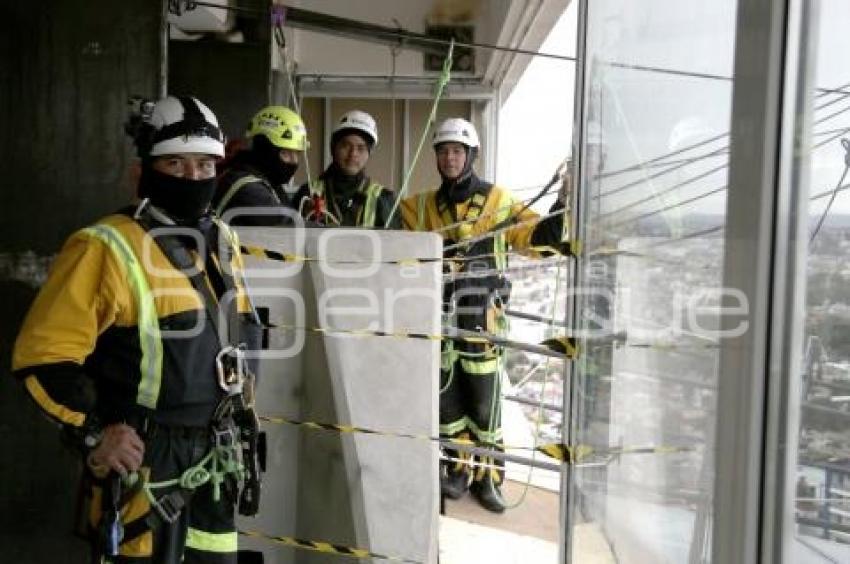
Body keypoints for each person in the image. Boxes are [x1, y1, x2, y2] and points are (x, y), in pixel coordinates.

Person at [12, 95, 263, 563]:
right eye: (175, 163)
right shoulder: (105, 246)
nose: (193, 178)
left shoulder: (222, 240)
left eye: (205, 165)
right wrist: (95, 432)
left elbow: (241, 330)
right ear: (142, 172)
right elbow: (41, 358)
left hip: (216, 465)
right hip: (147, 468)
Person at [401, 117, 569, 513]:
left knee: (484, 403)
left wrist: (562, 202)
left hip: (482, 321)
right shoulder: (420, 206)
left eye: (457, 151)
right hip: (439, 320)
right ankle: (457, 471)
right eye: (443, 151)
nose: (450, 158)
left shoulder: (498, 203)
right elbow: (391, 234)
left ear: (471, 155)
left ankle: (489, 477)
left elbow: (537, 238)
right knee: (446, 400)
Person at [293, 110, 401, 228]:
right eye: (345, 146)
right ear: (333, 149)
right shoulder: (308, 193)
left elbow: (395, 245)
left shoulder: (384, 199)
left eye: (361, 148)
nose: (353, 154)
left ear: (369, 153)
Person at [213, 105, 308, 225]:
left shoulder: (269, 183)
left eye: (297, 154)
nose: (294, 161)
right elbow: (289, 225)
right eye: (285, 153)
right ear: (265, 150)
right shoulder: (246, 187)